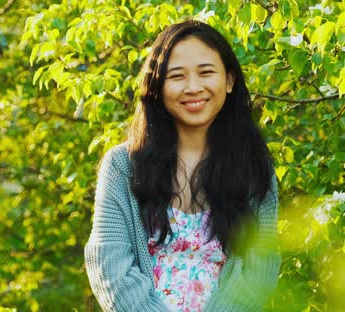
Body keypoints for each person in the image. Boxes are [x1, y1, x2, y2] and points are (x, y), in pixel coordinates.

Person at [84, 20, 280, 312]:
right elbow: (110, 265)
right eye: (176, 76)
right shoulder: (122, 167)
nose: (192, 87)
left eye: (206, 73)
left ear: (229, 81)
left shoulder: (254, 169)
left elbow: (259, 269)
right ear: (158, 87)